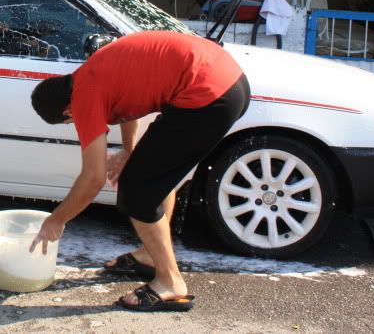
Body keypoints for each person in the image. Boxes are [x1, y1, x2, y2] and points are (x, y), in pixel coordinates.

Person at [29, 30, 250, 313]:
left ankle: (170, 282)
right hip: (229, 80)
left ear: (67, 113)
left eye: (71, 122)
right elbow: (128, 106)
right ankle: (149, 255)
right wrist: (128, 150)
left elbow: (93, 177)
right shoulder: (92, 72)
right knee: (154, 175)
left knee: (136, 192)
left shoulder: (83, 96)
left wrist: (57, 219)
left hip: (207, 94)